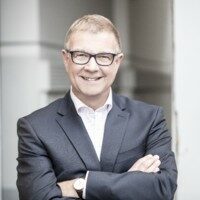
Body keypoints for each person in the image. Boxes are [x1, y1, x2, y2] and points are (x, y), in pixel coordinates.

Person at [17, 14, 177, 200]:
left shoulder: (150, 119)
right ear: (66, 59)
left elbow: (163, 188)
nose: (92, 67)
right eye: (81, 55)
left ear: (117, 61)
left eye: (103, 57)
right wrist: (128, 181)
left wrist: (80, 186)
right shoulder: (35, 128)